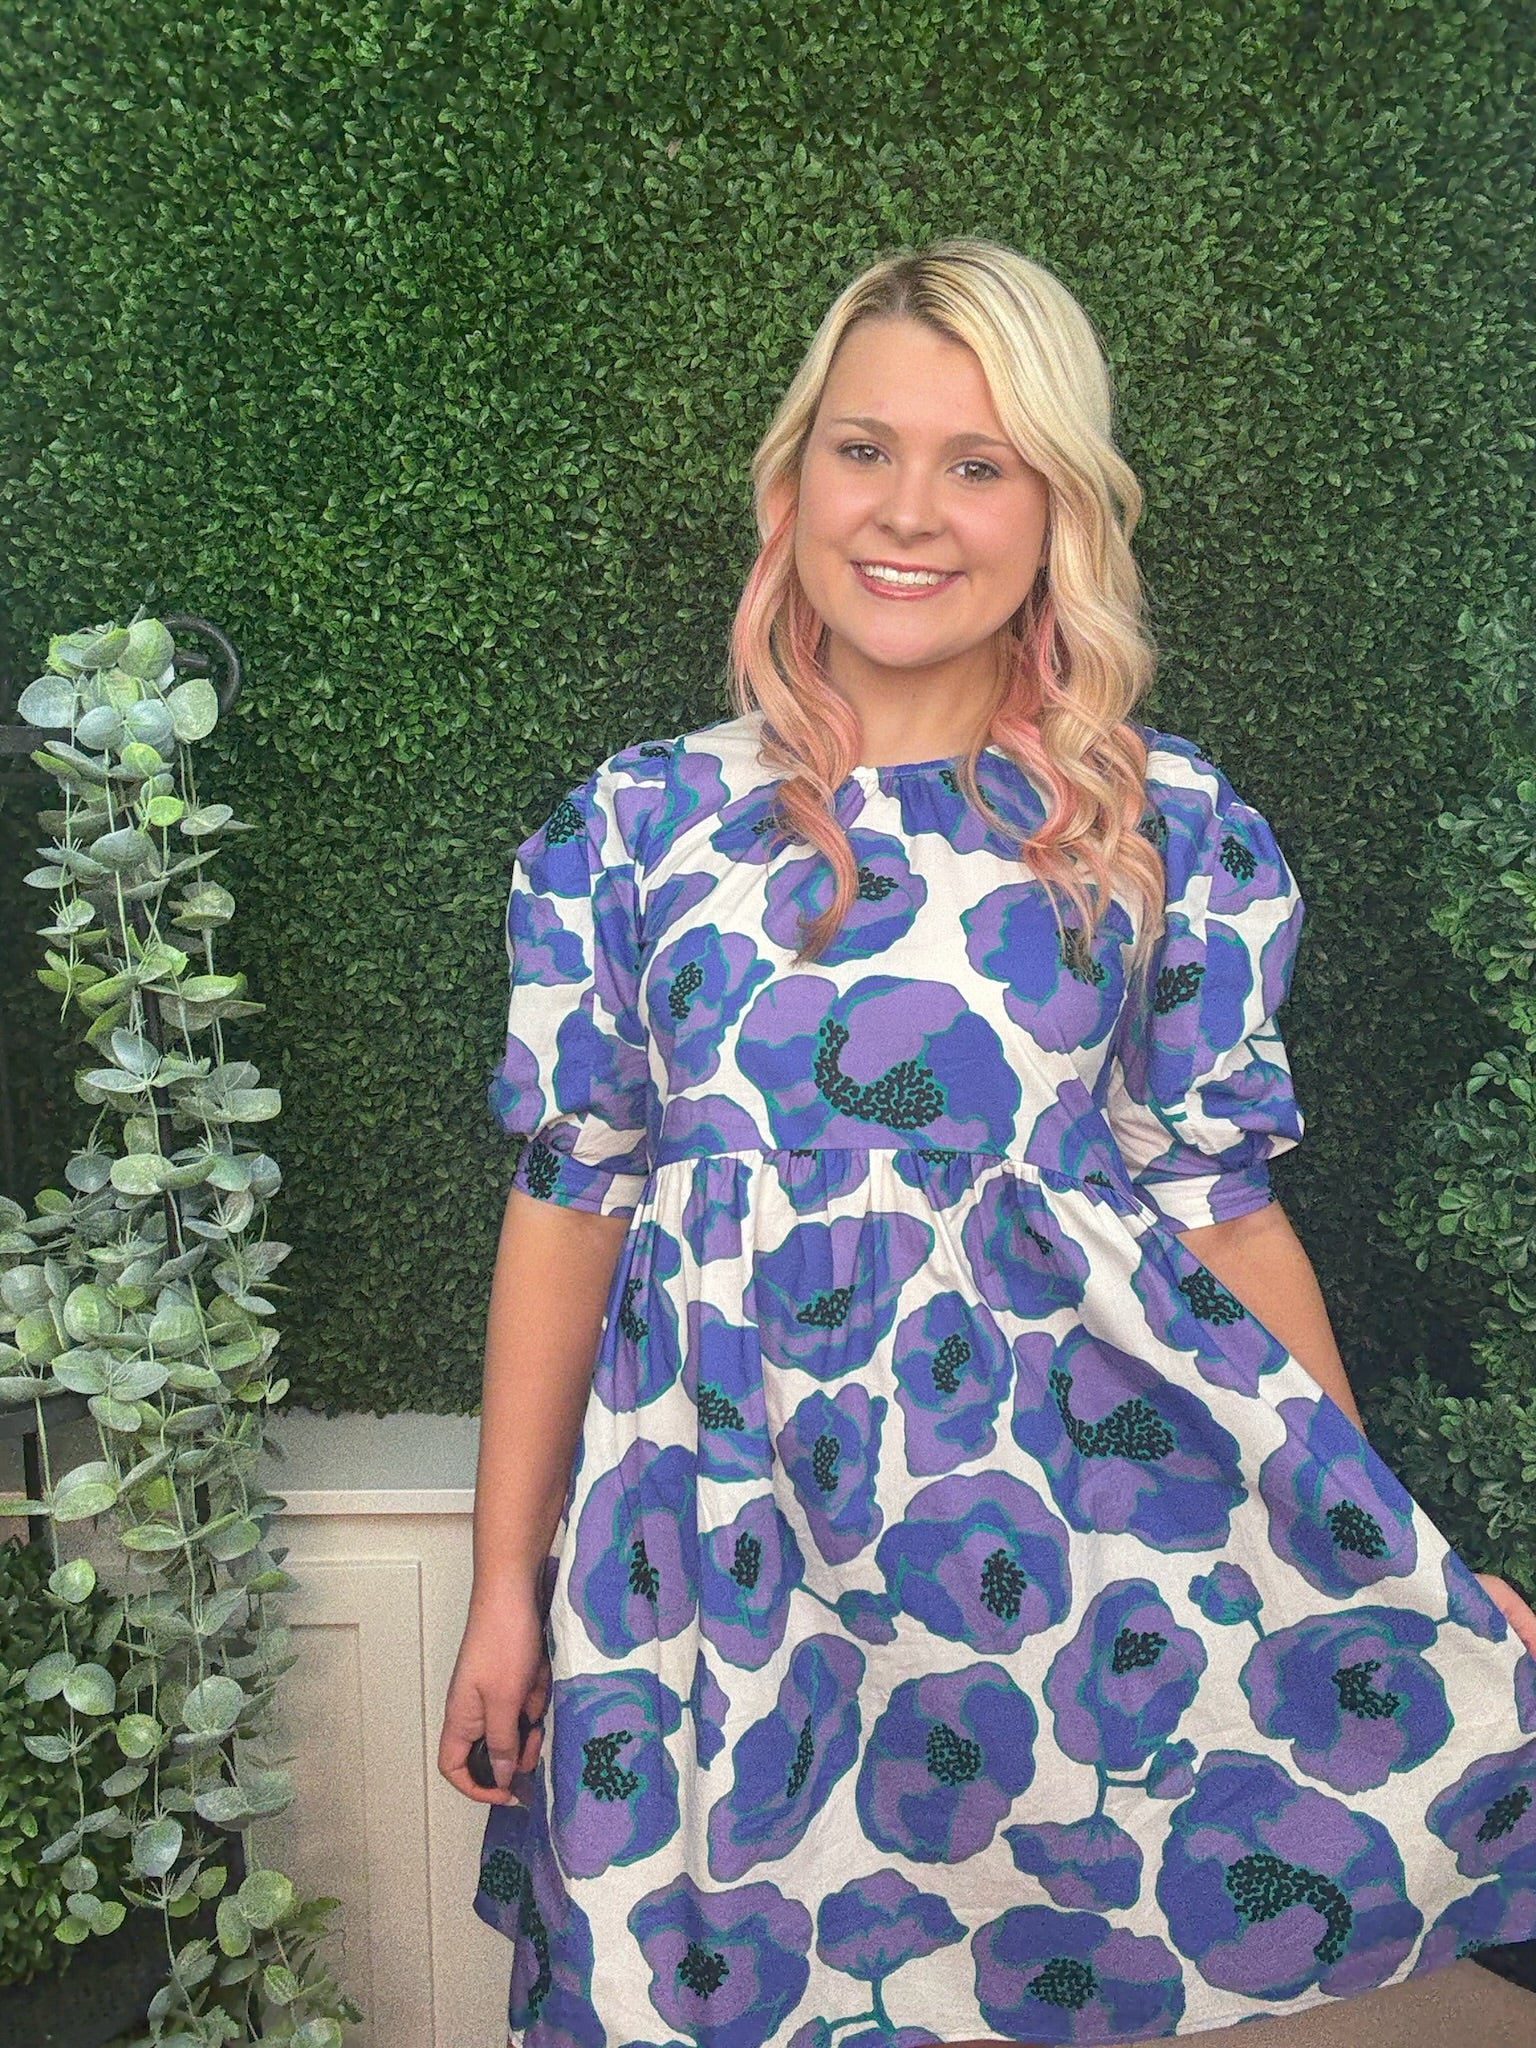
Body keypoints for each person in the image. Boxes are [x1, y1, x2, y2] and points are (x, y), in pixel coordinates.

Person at [439, 237, 1536, 2048]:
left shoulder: (1158, 830)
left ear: (1057, 513)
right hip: (711, 1586)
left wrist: (1377, 1565)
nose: (910, 512)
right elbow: (567, 1209)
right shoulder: (636, 829)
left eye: (982, 464)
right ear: (794, 484)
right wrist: (505, 1588)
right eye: (865, 449)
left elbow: (1223, 1221)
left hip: (1054, 1590)